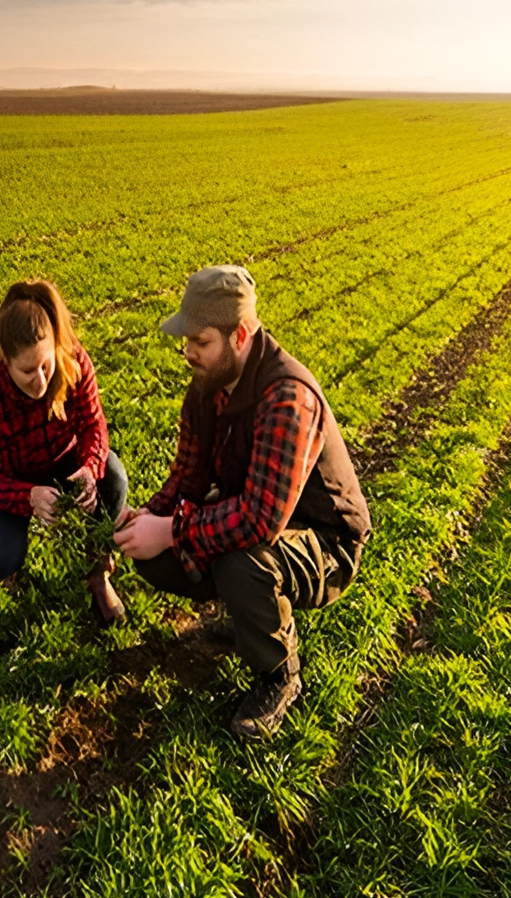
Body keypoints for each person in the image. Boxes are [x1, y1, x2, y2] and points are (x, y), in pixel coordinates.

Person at [114, 265, 371, 738]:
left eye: (201, 342)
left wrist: (172, 530)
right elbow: (187, 477)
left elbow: (259, 520)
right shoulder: (206, 388)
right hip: (262, 522)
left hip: (326, 542)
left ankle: (280, 674)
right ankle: (248, 621)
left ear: (242, 334)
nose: (188, 353)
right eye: (187, 340)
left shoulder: (288, 397)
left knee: (240, 560)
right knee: (156, 558)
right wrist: (150, 516)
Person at [0, 279, 128, 624]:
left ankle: (97, 570)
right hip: (13, 473)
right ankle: (12, 566)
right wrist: (28, 496)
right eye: (27, 371)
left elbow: (92, 425)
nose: (40, 381)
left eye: (45, 365)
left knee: (112, 477)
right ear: (4, 359)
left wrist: (88, 467)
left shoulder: (74, 362)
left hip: (62, 458)